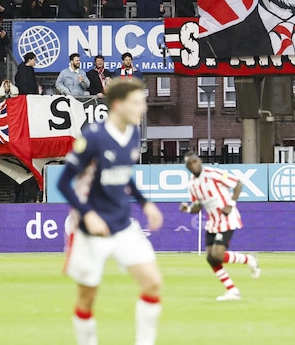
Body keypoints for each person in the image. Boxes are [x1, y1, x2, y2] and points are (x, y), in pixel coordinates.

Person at [57, 79, 163, 345]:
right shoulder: (93, 137)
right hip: (90, 230)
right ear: (117, 105)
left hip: (123, 224)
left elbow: (124, 174)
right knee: (87, 298)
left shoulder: (133, 134)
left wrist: (145, 203)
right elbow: (63, 183)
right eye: (136, 102)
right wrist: (88, 214)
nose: (143, 107)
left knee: (152, 282)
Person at [179, 153, 261, 301]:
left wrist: (231, 204)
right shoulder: (192, 185)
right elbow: (198, 206)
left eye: (195, 161)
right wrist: (188, 209)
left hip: (227, 218)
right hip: (212, 222)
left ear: (200, 161)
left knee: (217, 255)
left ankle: (249, 259)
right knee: (211, 258)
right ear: (187, 167)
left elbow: (238, 184)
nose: (193, 165)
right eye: (190, 164)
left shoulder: (213, 174)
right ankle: (232, 290)